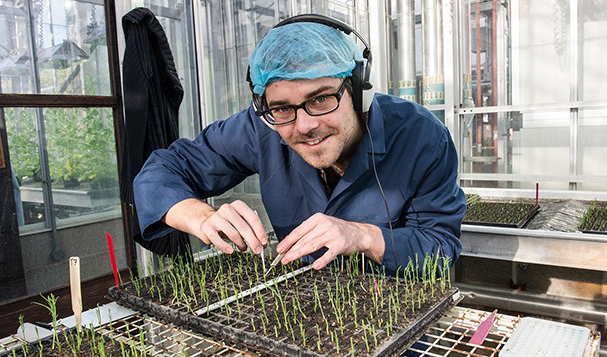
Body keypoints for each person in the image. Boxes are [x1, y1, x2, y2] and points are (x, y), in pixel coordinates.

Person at [133, 15, 466, 274]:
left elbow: (440, 247)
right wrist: (200, 216)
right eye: (281, 107)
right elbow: (162, 170)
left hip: (395, 316)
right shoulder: (262, 126)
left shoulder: (422, 137)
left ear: (359, 90)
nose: (305, 125)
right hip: (306, 313)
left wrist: (363, 236)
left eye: (321, 99)